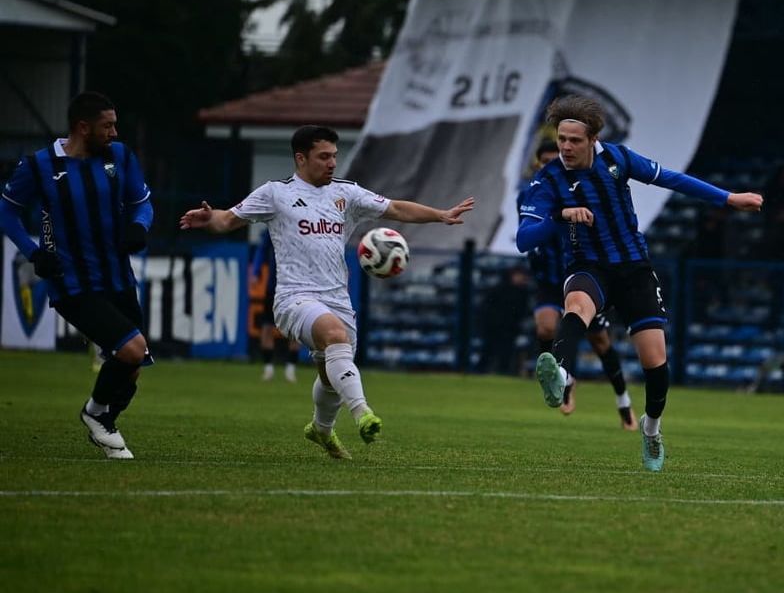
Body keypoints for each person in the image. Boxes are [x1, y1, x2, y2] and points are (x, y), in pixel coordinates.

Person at [180, 125, 475, 460]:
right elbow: (228, 220)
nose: (332, 162)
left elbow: (395, 209)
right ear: (301, 158)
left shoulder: (346, 194)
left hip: (337, 298)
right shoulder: (276, 193)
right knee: (334, 336)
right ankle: (363, 413)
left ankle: (320, 429)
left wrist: (440, 215)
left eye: (335, 155)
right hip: (294, 297)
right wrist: (210, 217)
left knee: (331, 371)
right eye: (324, 156)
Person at [516, 95, 763, 471]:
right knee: (576, 306)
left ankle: (651, 429)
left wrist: (728, 198)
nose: (565, 147)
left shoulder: (618, 159)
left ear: (594, 138)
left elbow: (673, 180)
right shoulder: (547, 180)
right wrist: (559, 214)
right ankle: (561, 374)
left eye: (574, 140)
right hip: (588, 266)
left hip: (633, 268)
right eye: (562, 138)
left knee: (654, 361)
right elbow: (524, 239)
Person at [0, 91, 153, 459]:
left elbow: (141, 203)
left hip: (118, 276)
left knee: (132, 366)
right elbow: (7, 213)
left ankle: (101, 418)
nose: (114, 133)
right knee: (131, 350)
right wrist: (34, 251)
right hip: (72, 282)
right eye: (107, 126)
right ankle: (98, 418)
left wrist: (139, 227)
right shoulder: (39, 166)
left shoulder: (120, 158)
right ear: (83, 128)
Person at [521, 142, 638, 430]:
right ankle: (563, 379)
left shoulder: (582, 192)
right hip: (550, 278)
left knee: (601, 343)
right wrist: (555, 219)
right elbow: (526, 236)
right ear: (539, 165)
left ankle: (623, 401)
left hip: (582, 276)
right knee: (546, 327)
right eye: (547, 160)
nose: (556, 163)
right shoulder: (534, 195)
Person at [251, 230, 300, 382]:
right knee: (267, 326)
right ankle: (268, 367)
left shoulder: (302, 226)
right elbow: (262, 249)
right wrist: (256, 270)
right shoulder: (273, 226)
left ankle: (290, 367)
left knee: (295, 328)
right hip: (274, 285)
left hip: (297, 286)